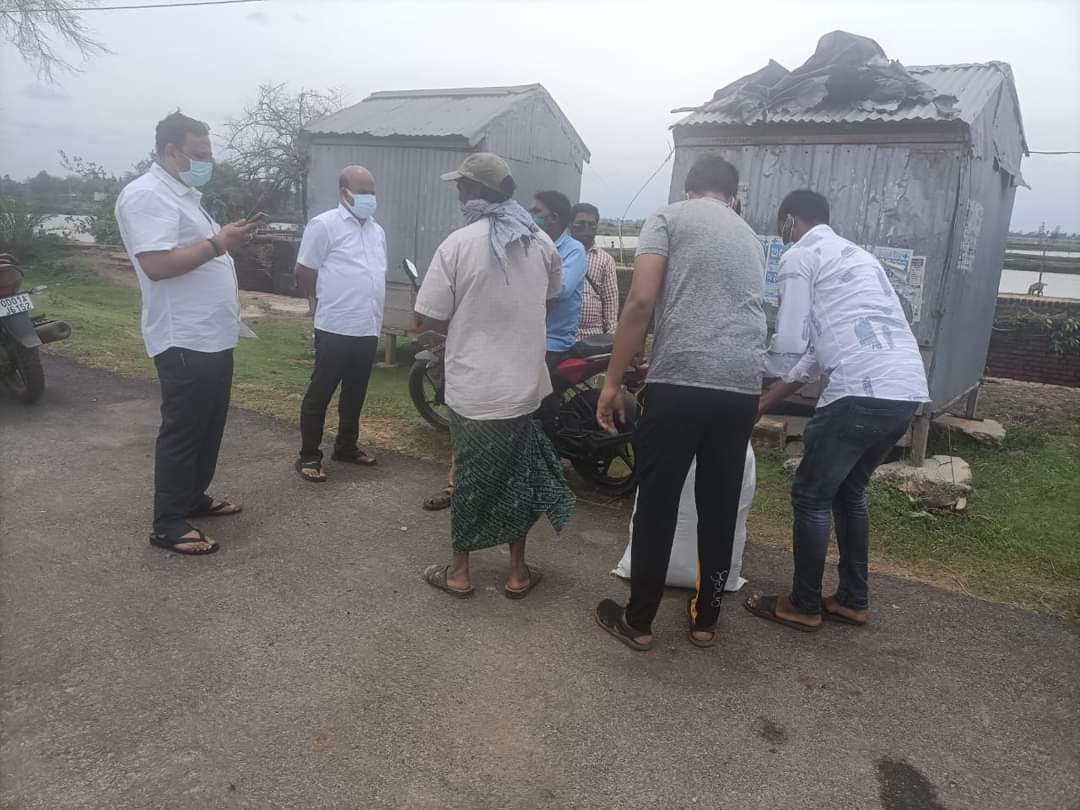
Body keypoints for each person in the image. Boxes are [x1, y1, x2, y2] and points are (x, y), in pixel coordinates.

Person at [594, 155, 766, 651]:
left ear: (690, 189)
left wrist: (612, 382)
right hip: (740, 387)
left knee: (659, 502)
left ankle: (640, 621)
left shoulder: (668, 217)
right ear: (732, 195)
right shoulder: (749, 237)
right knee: (719, 505)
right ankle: (705, 619)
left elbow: (641, 302)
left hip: (682, 378)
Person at [745, 190, 929, 632]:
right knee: (849, 494)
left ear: (789, 221)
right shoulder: (860, 259)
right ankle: (852, 600)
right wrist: (769, 399)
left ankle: (803, 605)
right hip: (904, 392)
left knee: (811, 496)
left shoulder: (798, 255)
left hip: (857, 395)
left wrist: (751, 368)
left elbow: (789, 341)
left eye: (782, 226)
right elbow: (814, 350)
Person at [415, 152, 575, 599]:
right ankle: (517, 572)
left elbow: (425, 318)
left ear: (471, 192)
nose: (459, 194)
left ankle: (460, 572)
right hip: (523, 386)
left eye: (461, 187)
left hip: (473, 386)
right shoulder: (540, 241)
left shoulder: (458, 243)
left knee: (469, 476)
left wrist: (465, 323)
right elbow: (548, 300)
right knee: (516, 476)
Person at [114, 111, 259, 555]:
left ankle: (192, 497)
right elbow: (157, 265)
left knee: (209, 425)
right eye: (199, 154)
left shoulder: (184, 195)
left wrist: (224, 240)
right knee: (184, 429)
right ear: (171, 150)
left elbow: (195, 252)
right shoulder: (145, 196)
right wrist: (220, 243)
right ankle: (168, 523)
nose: (206, 162)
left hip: (212, 335)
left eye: (209, 154)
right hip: (183, 338)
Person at [293, 166, 388, 482]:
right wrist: (322, 303)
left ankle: (346, 446)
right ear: (344, 192)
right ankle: (309, 456)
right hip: (335, 325)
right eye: (362, 191)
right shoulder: (324, 225)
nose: (369, 197)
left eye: (372, 191)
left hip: (367, 325)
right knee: (320, 393)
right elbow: (304, 271)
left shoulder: (377, 232)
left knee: (355, 393)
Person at [529, 190, 587, 365]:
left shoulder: (574, 250)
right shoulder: (528, 245)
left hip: (551, 343)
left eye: (536, 212)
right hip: (524, 337)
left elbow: (559, 290)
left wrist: (528, 293)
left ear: (553, 218)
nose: (529, 215)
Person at [570, 203, 620, 339]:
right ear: (570, 225)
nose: (586, 228)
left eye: (591, 224)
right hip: (561, 335)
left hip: (593, 337)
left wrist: (611, 336)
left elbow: (610, 299)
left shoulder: (605, 260)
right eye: (580, 223)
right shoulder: (558, 254)